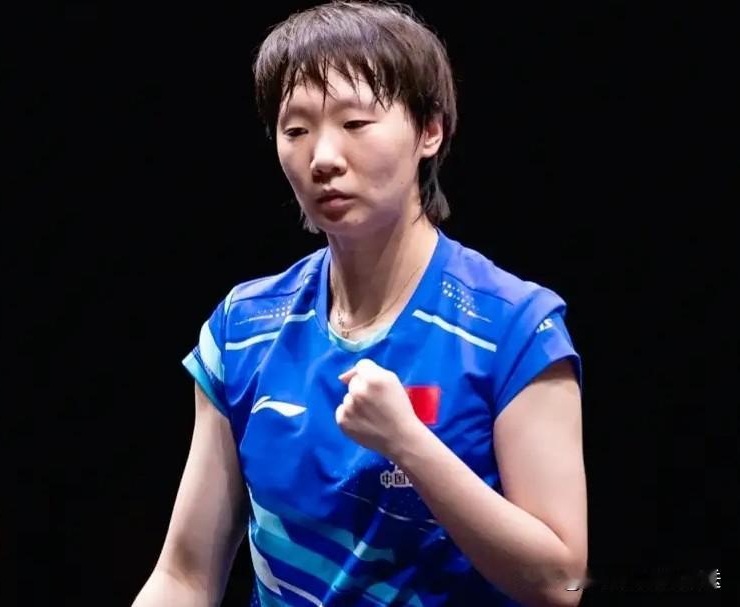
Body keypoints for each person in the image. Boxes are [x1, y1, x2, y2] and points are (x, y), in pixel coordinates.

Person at [132, 1, 588, 605]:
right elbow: (185, 575)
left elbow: (560, 582)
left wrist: (408, 443)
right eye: (296, 131)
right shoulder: (244, 330)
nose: (322, 158)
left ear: (429, 130)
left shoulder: (515, 330)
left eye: (355, 123)